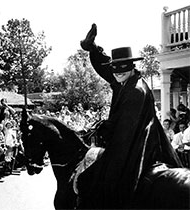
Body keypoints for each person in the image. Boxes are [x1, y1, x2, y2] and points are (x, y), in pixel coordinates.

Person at [77, 23, 182, 209]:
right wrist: (91, 47)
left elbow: (124, 127)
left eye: (122, 69)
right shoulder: (123, 77)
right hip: (130, 134)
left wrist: (102, 129)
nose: (117, 73)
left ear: (132, 66)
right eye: (115, 69)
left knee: (107, 179)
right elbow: (106, 67)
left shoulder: (136, 91)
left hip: (140, 141)